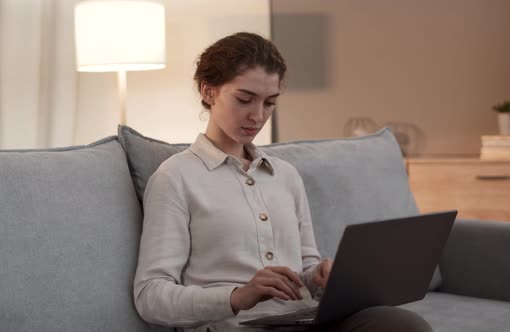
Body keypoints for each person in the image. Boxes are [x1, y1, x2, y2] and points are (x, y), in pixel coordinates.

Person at [133, 32, 432, 332]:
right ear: (209, 92)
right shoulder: (175, 177)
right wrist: (237, 297)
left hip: (302, 319)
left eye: (269, 103)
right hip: (237, 326)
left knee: (402, 324)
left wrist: (318, 277)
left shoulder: (286, 175)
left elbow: (305, 268)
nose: (257, 116)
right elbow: (150, 296)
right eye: (244, 99)